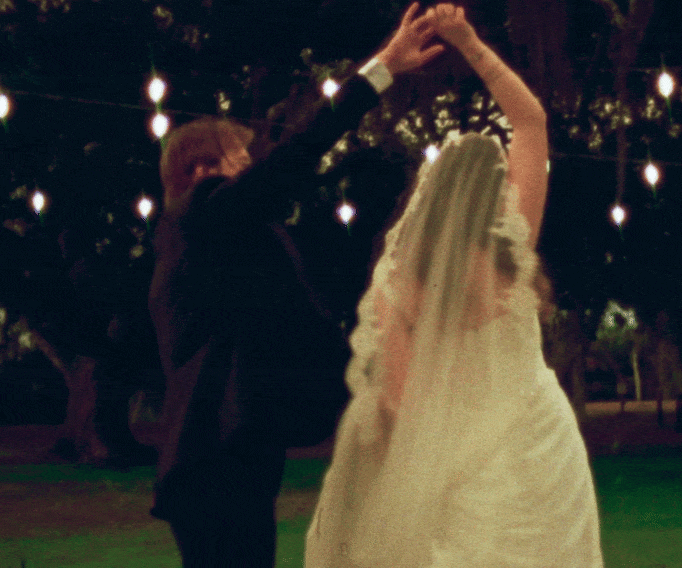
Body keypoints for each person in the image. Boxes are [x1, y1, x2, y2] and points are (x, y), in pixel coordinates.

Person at [143, 4, 445, 566]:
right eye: (241, 158)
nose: (251, 165)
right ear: (203, 170)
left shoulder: (211, 245)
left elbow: (296, 311)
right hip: (213, 465)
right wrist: (379, 70)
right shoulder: (199, 214)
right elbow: (292, 158)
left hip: (230, 459)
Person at [305, 4, 604, 567]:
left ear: (428, 202)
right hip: (539, 438)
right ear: (496, 200)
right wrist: (469, 43)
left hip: (462, 455)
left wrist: (408, 471)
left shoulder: (403, 285)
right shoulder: (514, 245)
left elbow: (398, 398)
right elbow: (532, 122)